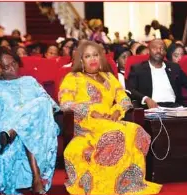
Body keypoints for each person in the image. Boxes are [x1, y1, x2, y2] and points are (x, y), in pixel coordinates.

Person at [58, 41, 162, 195]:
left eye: (96, 55)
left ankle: (128, 185)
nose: (93, 59)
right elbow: (65, 103)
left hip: (110, 120)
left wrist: (116, 111)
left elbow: (124, 99)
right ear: (81, 60)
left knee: (136, 130)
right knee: (118, 133)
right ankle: (106, 186)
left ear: (101, 58)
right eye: (88, 56)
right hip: (86, 122)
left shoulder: (108, 77)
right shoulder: (72, 77)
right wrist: (91, 112)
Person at [0, 46, 59, 194]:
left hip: (35, 130)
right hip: (5, 131)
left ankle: (14, 132)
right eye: (6, 67)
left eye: (14, 63)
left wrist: (25, 120)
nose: (12, 68)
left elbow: (50, 105)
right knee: (29, 126)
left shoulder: (29, 81)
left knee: (42, 102)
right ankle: (36, 177)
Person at [126, 39, 187, 108]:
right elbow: (130, 89)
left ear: (165, 52)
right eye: (155, 48)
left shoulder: (174, 68)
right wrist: (146, 99)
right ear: (149, 50)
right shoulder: (138, 69)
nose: (159, 51)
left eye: (162, 49)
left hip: (175, 108)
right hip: (152, 108)